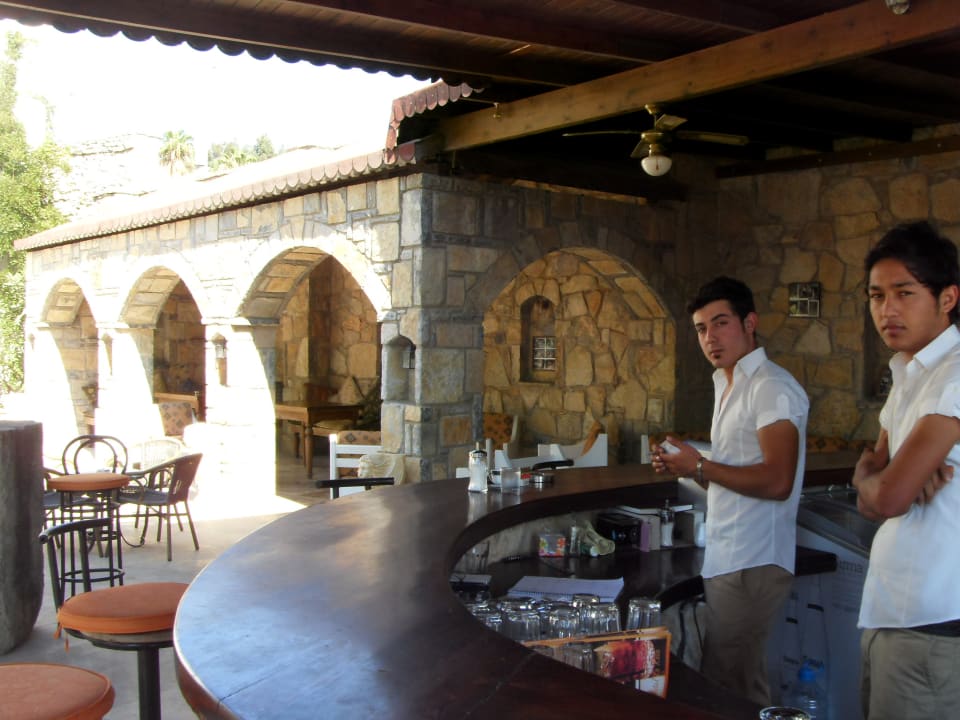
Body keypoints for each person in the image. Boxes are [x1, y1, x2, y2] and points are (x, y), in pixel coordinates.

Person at [653, 275, 809, 705]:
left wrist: (700, 465)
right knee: (730, 680)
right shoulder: (728, 384)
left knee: (732, 687)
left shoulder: (771, 387)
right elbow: (733, 474)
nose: (710, 337)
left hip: (754, 559)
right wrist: (686, 466)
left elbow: (778, 480)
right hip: (730, 557)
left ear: (750, 323)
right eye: (701, 328)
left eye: (721, 323)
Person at [853, 221, 960, 720]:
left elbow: (888, 497)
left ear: (948, 298)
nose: (887, 310)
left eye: (904, 293)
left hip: (933, 625)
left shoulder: (952, 377)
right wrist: (879, 478)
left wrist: (882, 482)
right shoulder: (908, 373)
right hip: (895, 614)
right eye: (877, 296)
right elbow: (872, 478)